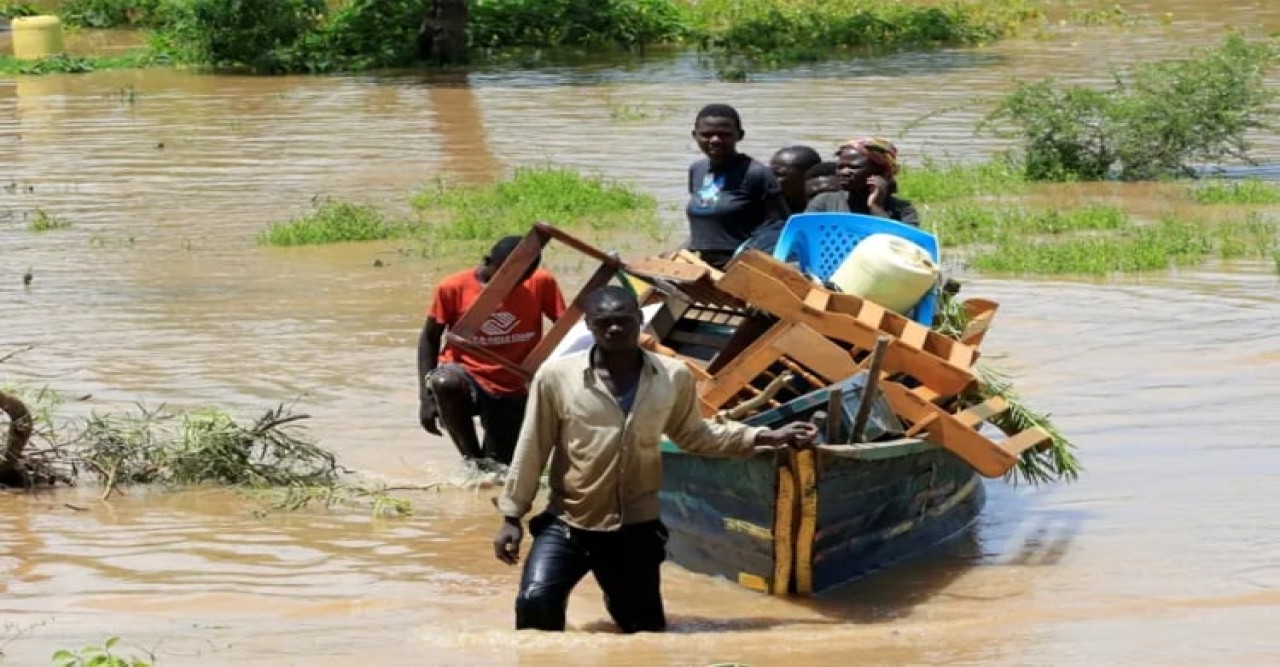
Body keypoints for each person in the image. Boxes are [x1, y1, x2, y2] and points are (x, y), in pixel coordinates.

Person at [493, 286, 817, 633]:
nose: (614, 330)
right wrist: (512, 515)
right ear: (589, 325)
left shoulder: (673, 376)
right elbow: (533, 445)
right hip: (569, 522)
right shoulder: (556, 377)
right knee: (535, 604)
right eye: (604, 323)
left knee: (643, 630)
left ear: (639, 321)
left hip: (635, 527)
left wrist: (764, 436)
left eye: (624, 322)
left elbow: (694, 434)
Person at [417, 236, 565, 470]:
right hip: (467, 375)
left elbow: (564, 329)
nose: (516, 284)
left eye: (524, 277)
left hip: (514, 382)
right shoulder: (453, 287)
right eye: (509, 276)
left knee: (500, 466)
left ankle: (487, 467)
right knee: (445, 382)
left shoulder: (541, 282)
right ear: (489, 262)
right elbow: (429, 338)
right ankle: (472, 461)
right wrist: (425, 398)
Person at [686, 104, 789, 269]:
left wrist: (747, 259)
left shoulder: (756, 173)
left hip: (743, 266)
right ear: (695, 135)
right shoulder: (697, 171)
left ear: (739, 135)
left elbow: (779, 227)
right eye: (707, 134)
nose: (715, 140)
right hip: (703, 265)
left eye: (724, 134)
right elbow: (705, 226)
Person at [806, 137, 919, 227]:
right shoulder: (824, 202)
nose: (844, 172)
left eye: (853, 167)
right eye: (840, 167)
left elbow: (901, 245)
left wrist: (876, 207)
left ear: (882, 172)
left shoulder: (903, 209)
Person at [769, 145, 822, 216]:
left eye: (779, 175)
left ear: (807, 176)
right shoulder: (766, 204)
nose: (770, 179)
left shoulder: (828, 205)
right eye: (770, 173)